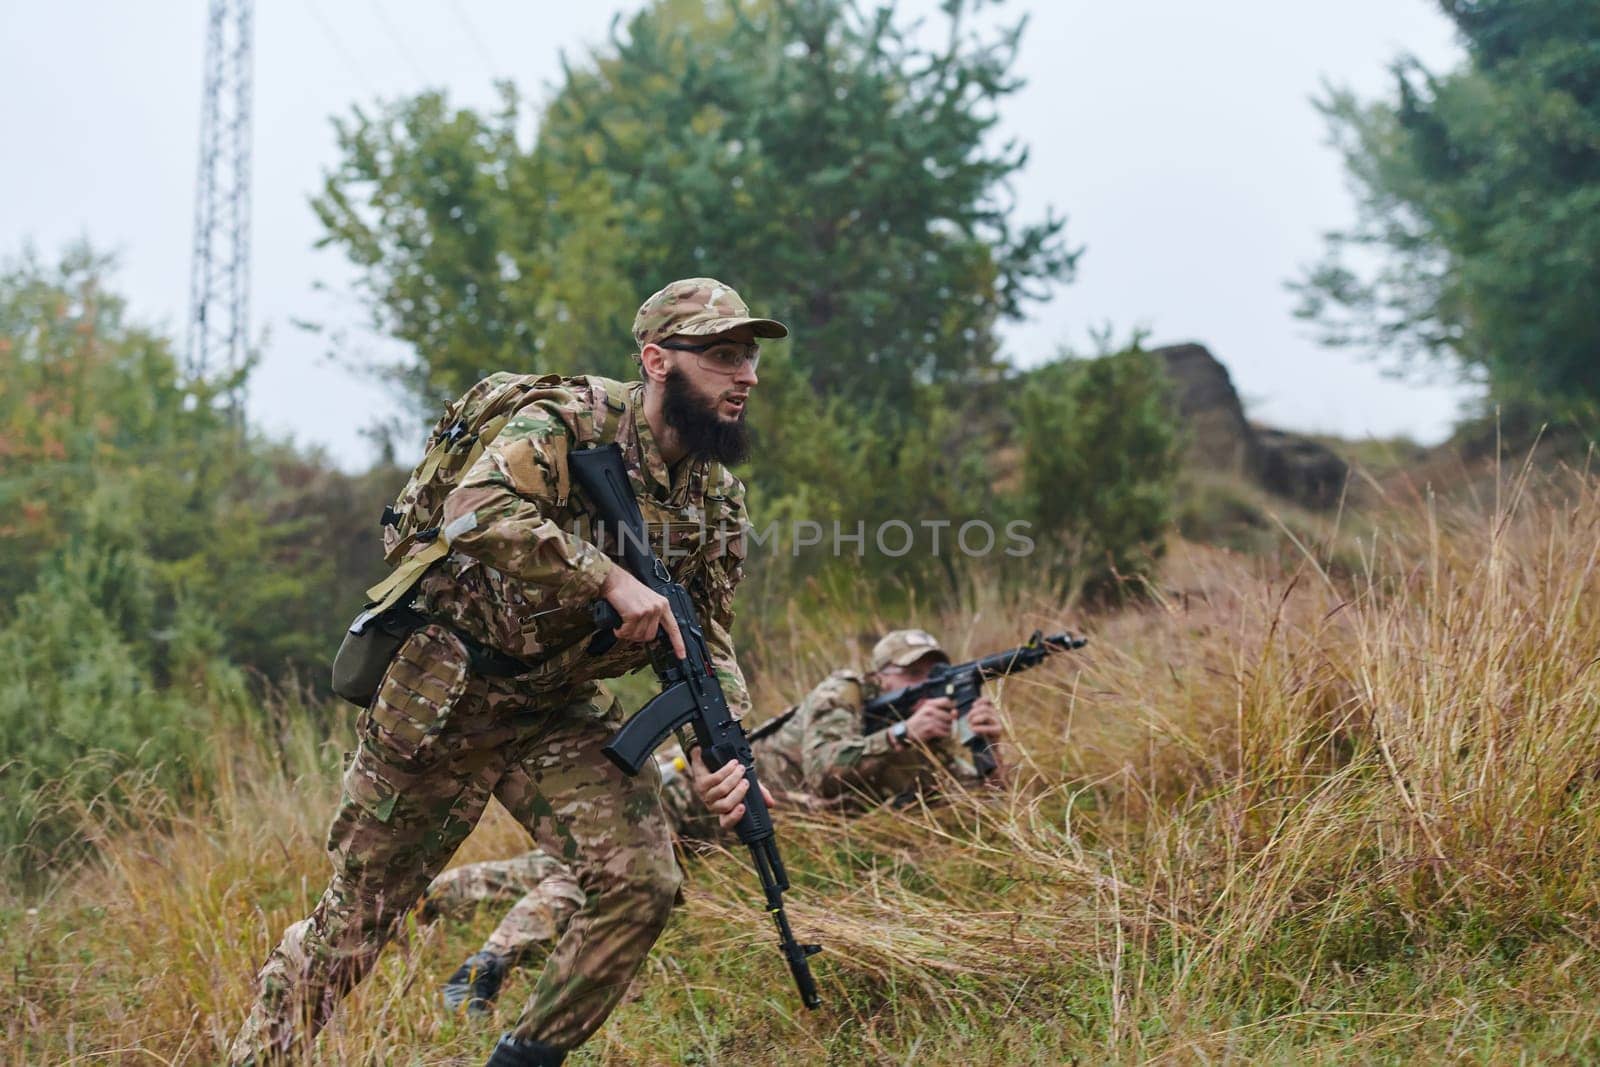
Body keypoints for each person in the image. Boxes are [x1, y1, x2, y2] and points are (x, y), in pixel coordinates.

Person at [229, 278, 785, 1067]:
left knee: (641, 883)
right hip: (447, 696)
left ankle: (523, 1059)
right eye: (724, 355)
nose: (747, 376)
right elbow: (473, 506)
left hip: (555, 709)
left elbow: (707, 638)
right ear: (658, 361)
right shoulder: (568, 422)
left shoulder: (718, 500)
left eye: (751, 357)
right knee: (355, 926)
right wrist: (604, 575)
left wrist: (722, 746)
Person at [427, 627, 1004, 1014]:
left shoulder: (930, 741)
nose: (923, 687)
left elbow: (975, 804)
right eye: (911, 675)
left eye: (935, 675)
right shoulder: (846, 694)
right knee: (615, 871)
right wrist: (904, 732)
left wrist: (984, 745)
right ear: (883, 677)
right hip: (702, 790)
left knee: (562, 864)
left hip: (739, 826)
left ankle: (439, 895)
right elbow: (830, 768)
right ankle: (492, 961)